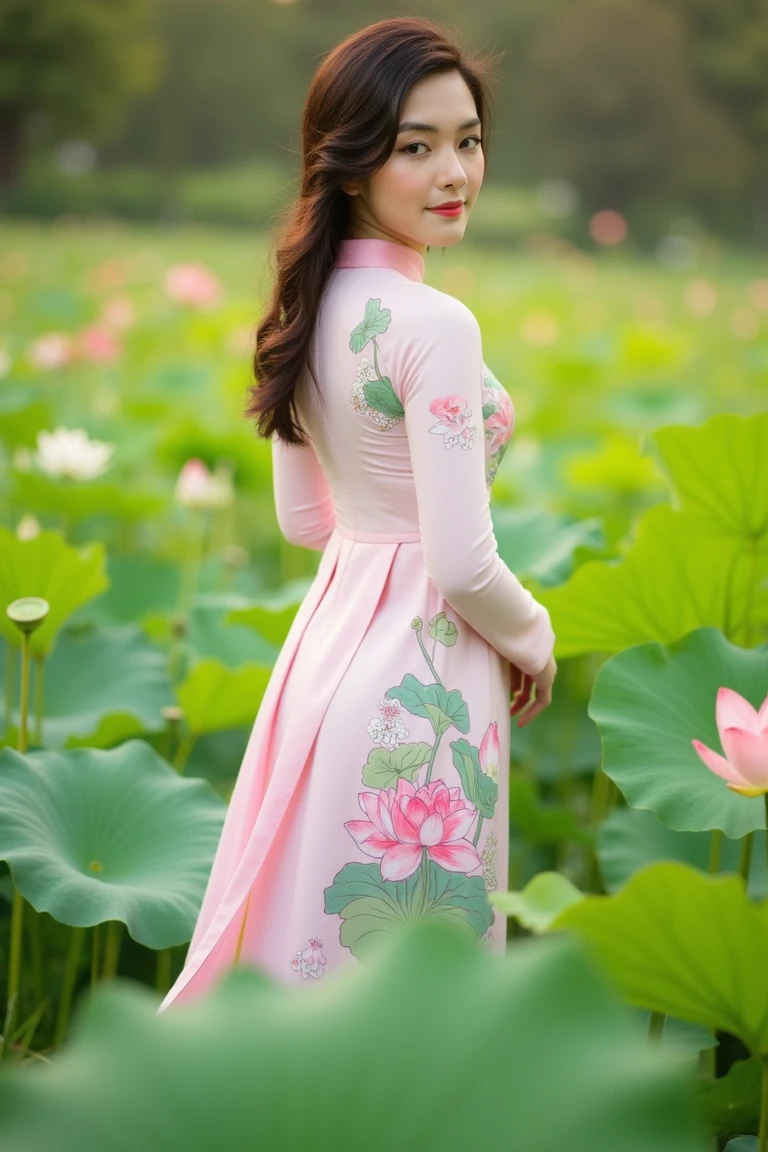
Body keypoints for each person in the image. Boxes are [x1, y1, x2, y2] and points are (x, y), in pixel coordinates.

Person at [157, 15, 556, 1010]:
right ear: (348, 165)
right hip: (426, 679)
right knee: (417, 999)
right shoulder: (437, 326)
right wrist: (537, 637)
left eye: (466, 140)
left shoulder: (301, 307)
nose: (453, 170)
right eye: (414, 147)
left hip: (327, 664)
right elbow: (464, 564)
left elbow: (307, 522)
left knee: (313, 969)